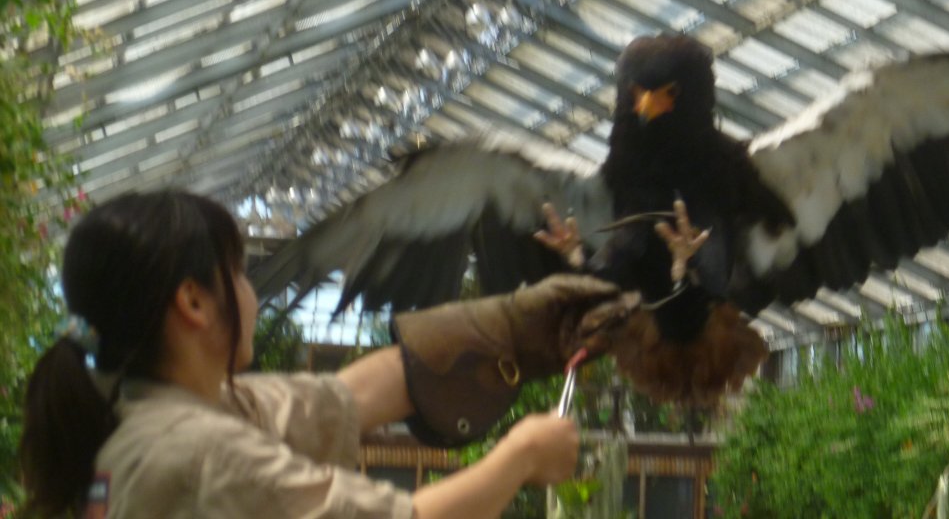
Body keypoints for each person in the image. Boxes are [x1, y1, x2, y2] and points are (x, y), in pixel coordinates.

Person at [19, 190, 632, 518]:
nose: (249, 290)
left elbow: (346, 399)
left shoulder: (146, 417)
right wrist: (522, 456)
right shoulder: (199, 452)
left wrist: (512, 326)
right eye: (235, 272)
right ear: (194, 304)